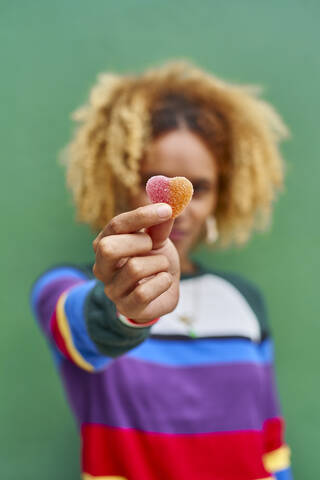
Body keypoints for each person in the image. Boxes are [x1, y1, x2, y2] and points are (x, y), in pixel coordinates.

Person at [30, 59, 293, 479]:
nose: (178, 211)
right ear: (116, 179)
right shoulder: (63, 287)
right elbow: (87, 328)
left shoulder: (244, 300)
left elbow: (270, 442)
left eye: (199, 188)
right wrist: (127, 305)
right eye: (153, 179)